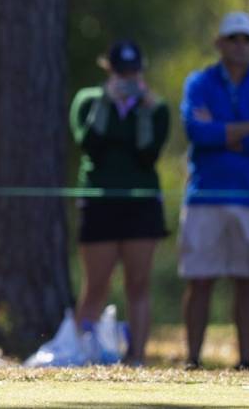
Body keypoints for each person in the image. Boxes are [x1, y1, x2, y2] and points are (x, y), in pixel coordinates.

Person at [179, 12, 249, 371]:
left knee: (248, 282)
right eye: (233, 38)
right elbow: (197, 132)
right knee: (200, 280)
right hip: (205, 196)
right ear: (220, 43)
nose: (240, 45)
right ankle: (192, 359)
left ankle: (245, 361)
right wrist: (247, 129)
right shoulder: (199, 82)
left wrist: (223, 132)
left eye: (247, 39)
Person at [70, 40, 170, 366]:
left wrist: (142, 112)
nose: (128, 78)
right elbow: (89, 145)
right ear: (109, 70)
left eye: (133, 72)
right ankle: (81, 354)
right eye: (121, 72)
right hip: (99, 202)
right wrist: (105, 103)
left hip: (141, 205)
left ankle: (137, 356)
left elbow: (148, 154)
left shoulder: (156, 108)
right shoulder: (88, 100)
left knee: (138, 284)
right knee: (96, 285)